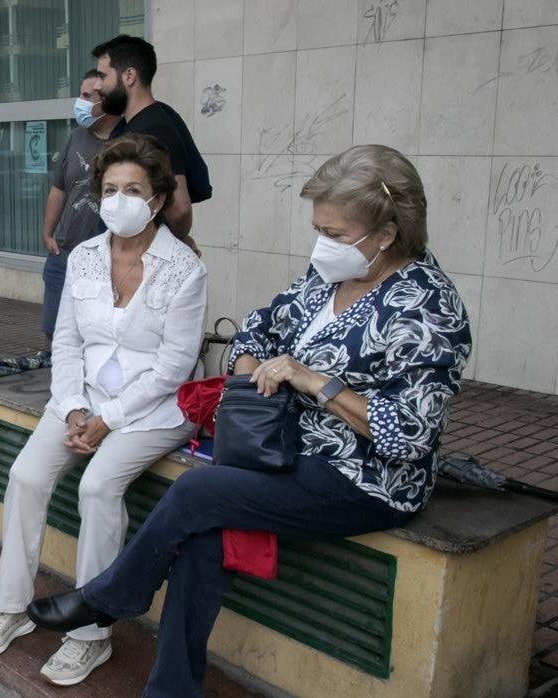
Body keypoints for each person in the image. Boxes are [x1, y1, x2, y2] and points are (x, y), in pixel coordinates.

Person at [25, 144, 473, 696]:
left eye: (335, 234)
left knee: (196, 494)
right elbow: (259, 326)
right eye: (318, 230)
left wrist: (315, 381)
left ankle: (109, 597)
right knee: (202, 543)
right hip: (284, 450)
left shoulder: (427, 307)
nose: (322, 245)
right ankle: (170, 689)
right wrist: (250, 367)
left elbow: (412, 434)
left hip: (363, 478)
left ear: (385, 234)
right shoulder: (329, 276)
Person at [0, 134, 206, 686]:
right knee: (26, 476)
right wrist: (76, 407)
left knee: (98, 488)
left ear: (156, 199)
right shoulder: (84, 257)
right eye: (110, 189)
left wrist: (108, 420)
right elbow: (68, 343)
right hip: (82, 399)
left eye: (133, 190)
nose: (119, 199)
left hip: (154, 408)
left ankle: (89, 634)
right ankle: (11, 606)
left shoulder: (184, 268)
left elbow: (174, 366)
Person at [40, 69, 122, 340]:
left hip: (104, 261)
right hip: (64, 254)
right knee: (56, 336)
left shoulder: (125, 142)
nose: (80, 102)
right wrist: (48, 233)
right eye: (80, 94)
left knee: (95, 339)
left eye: (87, 96)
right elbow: (59, 188)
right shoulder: (76, 136)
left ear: (104, 101)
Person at [92, 35, 196, 246]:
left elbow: (180, 209)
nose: (96, 85)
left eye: (102, 76)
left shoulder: (154, 127)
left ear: (129, 76)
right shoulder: (137, 123)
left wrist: (170, 249)